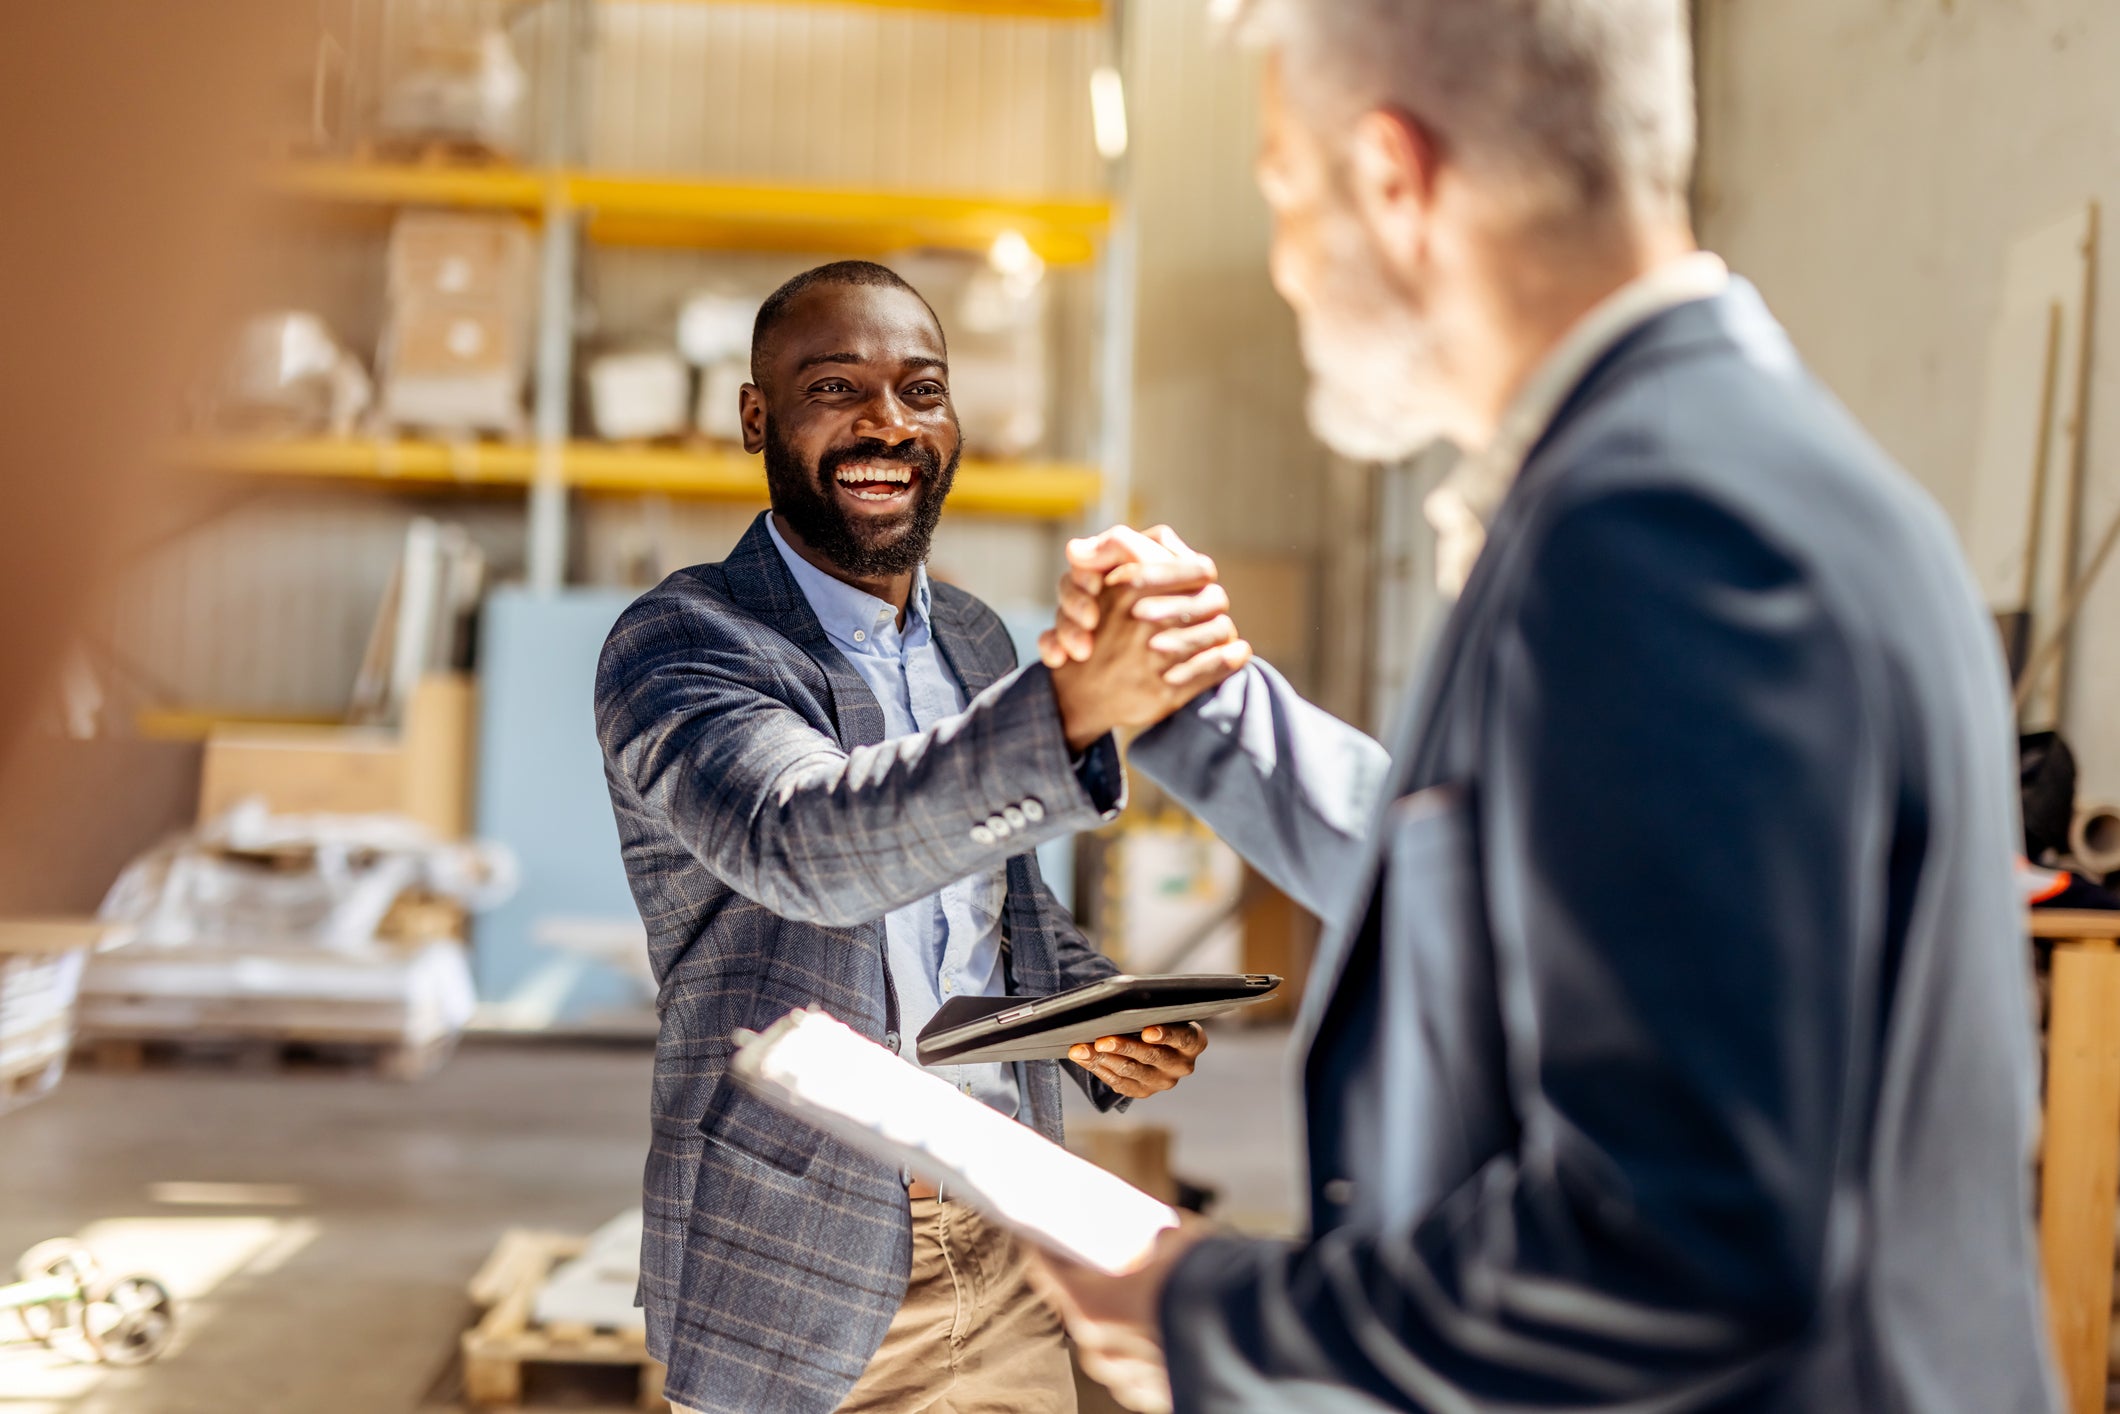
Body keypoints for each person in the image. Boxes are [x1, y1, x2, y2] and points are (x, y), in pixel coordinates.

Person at [1028, 2, 2059, 1411]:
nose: (1285, 263)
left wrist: (1212, 1313)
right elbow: (1511, 889)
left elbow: (1680, 1246)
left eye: (1284, 189)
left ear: (1393, 181)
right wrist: (1198, 706)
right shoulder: (1704, 470)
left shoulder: (1666, 524)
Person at [594, 260, 1247, 1414]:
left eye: (920, 389)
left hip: (1008, 1222)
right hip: (798, 1250)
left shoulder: (978, 642)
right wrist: (1072, 711)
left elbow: (1000, 906)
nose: (884, 423)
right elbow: (806, 844)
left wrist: (1093, 1015)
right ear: (756, 416)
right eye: (835, 387)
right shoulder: (684, 643)